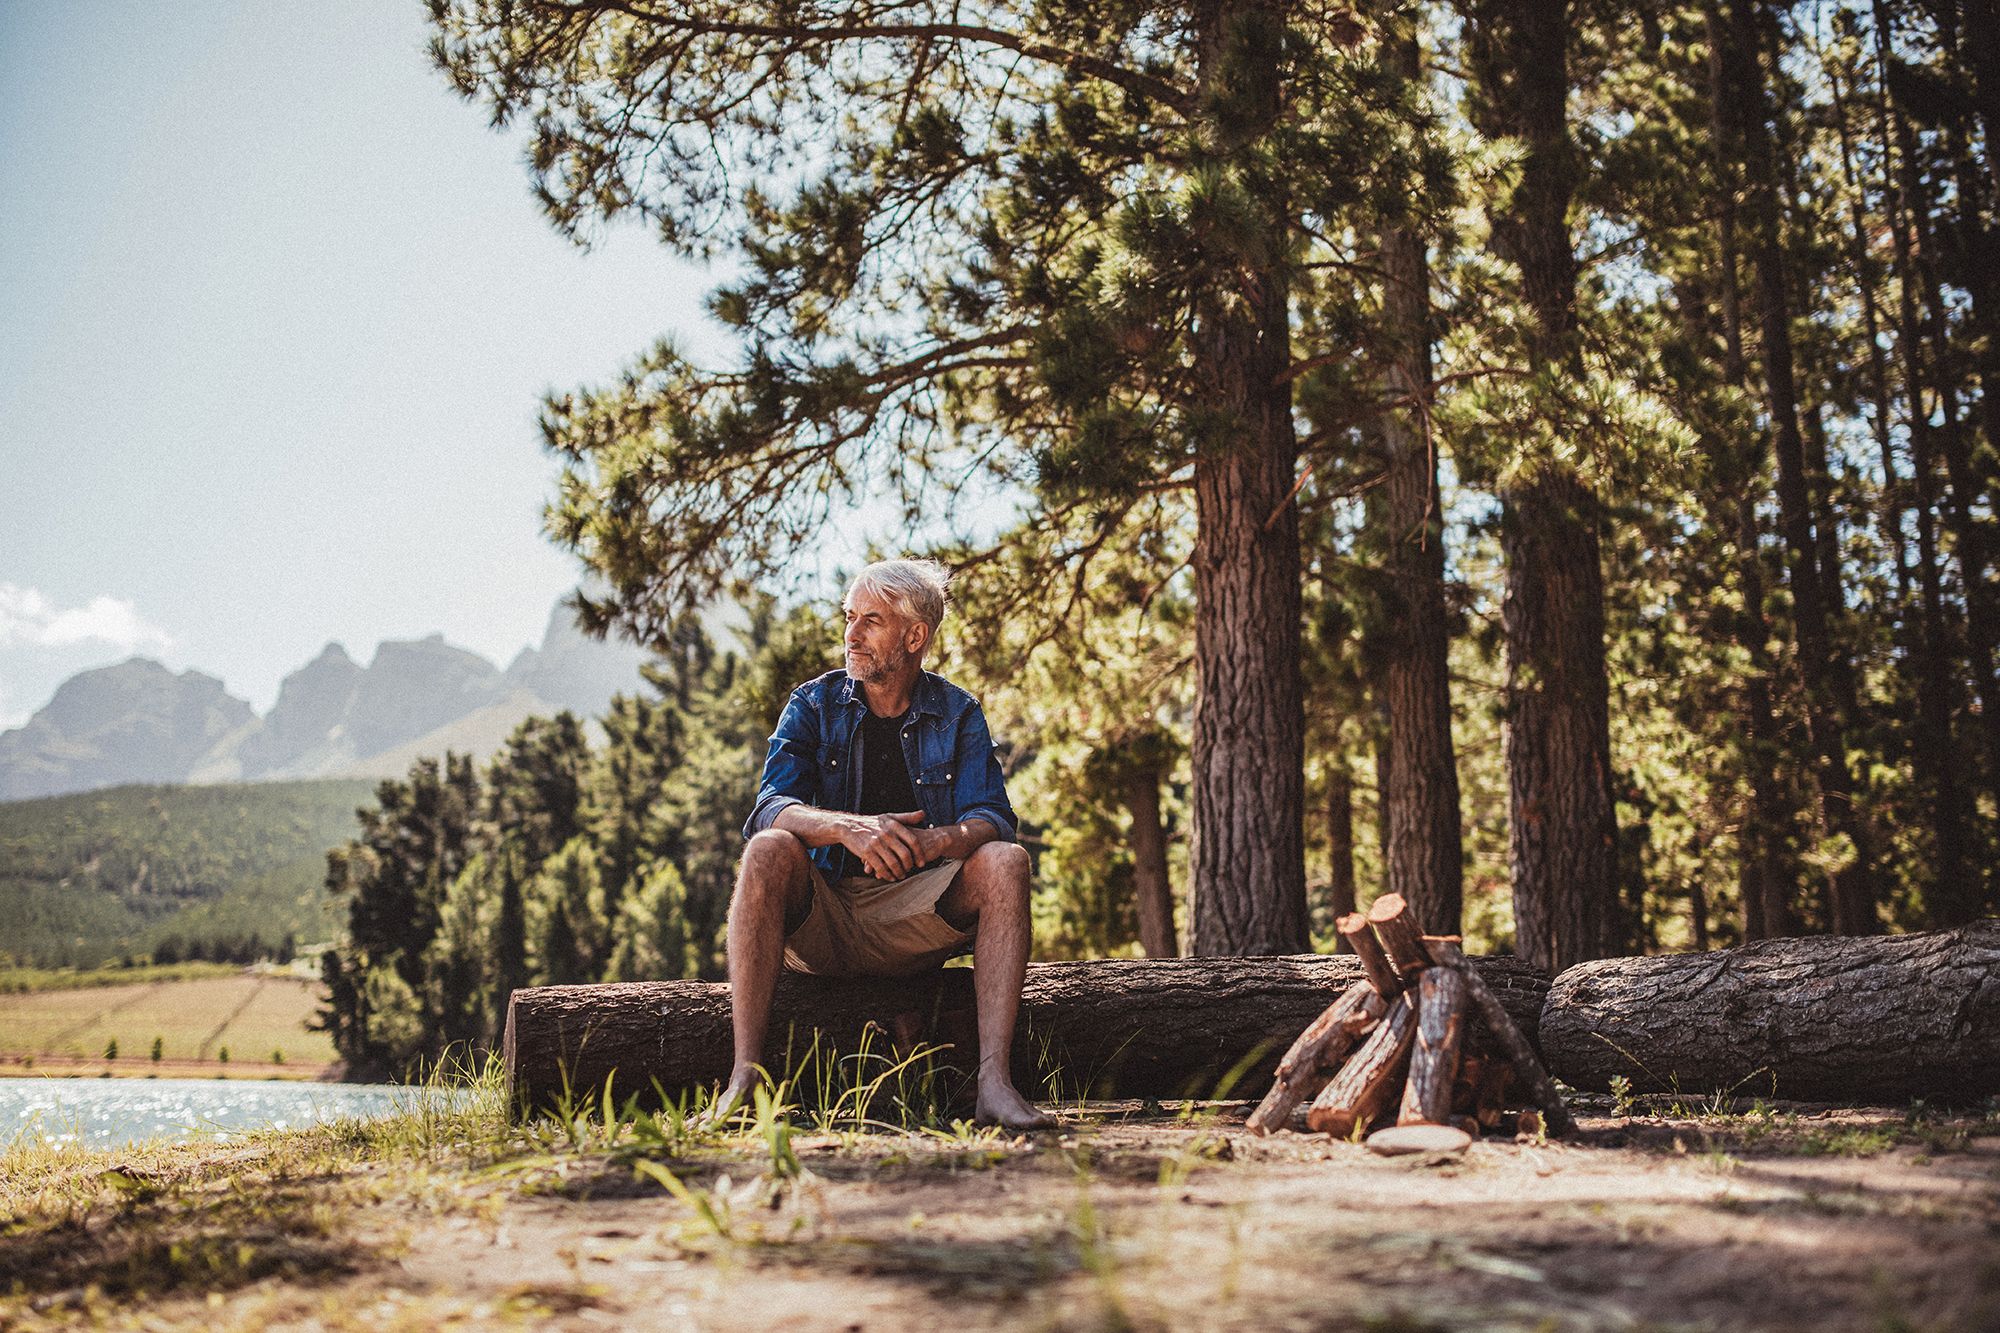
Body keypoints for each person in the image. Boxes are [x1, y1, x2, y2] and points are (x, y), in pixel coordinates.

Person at [720, 558, 1053, 1129]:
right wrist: (850, 827)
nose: (851, 634)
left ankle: (994, 1084)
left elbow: (995, 818)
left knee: (1005, 862)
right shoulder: (812, 704)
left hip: (914, 920)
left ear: (914, 636)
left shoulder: (958, 712)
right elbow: (769, 809)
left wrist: (936, 842)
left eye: (870, 620)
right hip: (821, 916)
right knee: (768, 850)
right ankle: (743, 1080)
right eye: (849, 617)